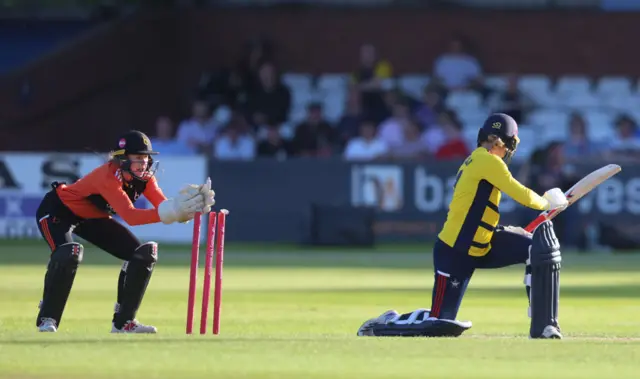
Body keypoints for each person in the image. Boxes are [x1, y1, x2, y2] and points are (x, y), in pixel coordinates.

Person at [357, 113, 568, 339]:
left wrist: (509, 232)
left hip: (482, 244)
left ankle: (544, 326)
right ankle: (386, 323)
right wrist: (547, 201)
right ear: (507, 144)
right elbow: (520, 193)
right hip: (455, 251)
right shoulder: (486, 160)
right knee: (440, 324)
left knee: (537, 248)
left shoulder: (478, 159)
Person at [34, 130, 215, 333]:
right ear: (122, 159)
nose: (144, 163)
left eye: (146, 158)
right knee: (69, 252)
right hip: (59, 210)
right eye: (138, 157)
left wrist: (181, 213)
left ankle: (124, 323)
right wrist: (170, 212)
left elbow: (162, 206)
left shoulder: (145, 178)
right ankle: (47, 318)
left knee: (144, 254)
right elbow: (131, 216)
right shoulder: (107, 176)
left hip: (92, 217)